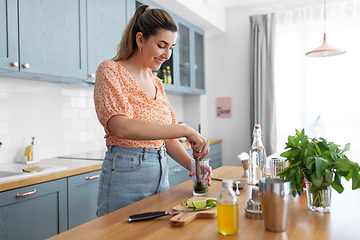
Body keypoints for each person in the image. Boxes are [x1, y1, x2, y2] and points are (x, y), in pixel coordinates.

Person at [94, 4, 211, 217]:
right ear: (140, 40)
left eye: (172, 47)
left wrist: (192, 166)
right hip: (125, 173)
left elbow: (166, 137)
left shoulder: (157, 83)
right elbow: (121, 126)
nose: (168, 54)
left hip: (160, 172)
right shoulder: (111, 71)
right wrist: (185, 130)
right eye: (162, 45)